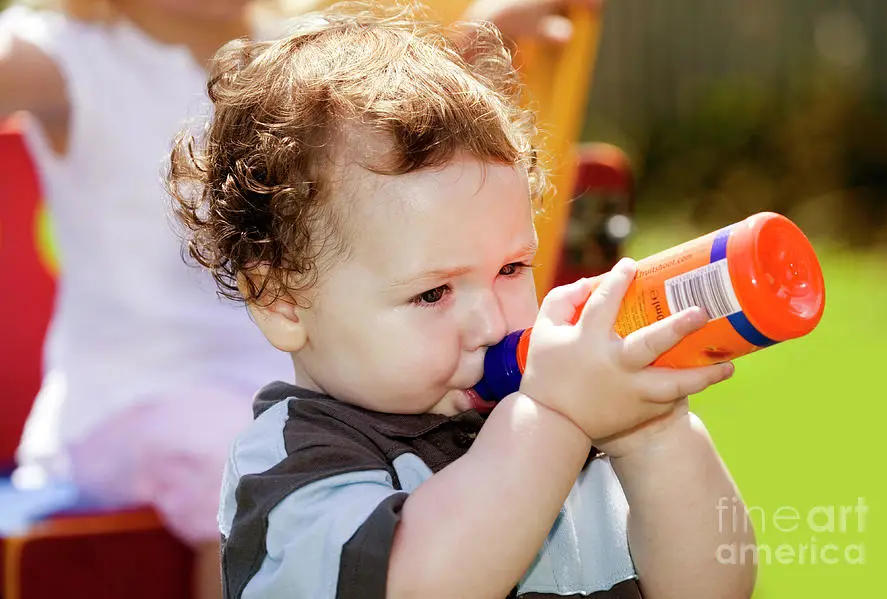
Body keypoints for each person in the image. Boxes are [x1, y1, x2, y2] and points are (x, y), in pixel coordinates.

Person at [0, 1, 609, 597]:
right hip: (129, 398)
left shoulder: (291, 42)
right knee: (236, 464)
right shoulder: (66, 56)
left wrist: (479, 35)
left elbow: (379, 157)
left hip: (281, 369)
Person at [168, 3, 757, 598]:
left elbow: (715, 586)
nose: (490, 322)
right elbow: (420, 583)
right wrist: (554, 421)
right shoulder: (295, 466)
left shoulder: (568, 416)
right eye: (433, 292)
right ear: (283, 301)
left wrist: (652, 435)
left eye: (510, 268)